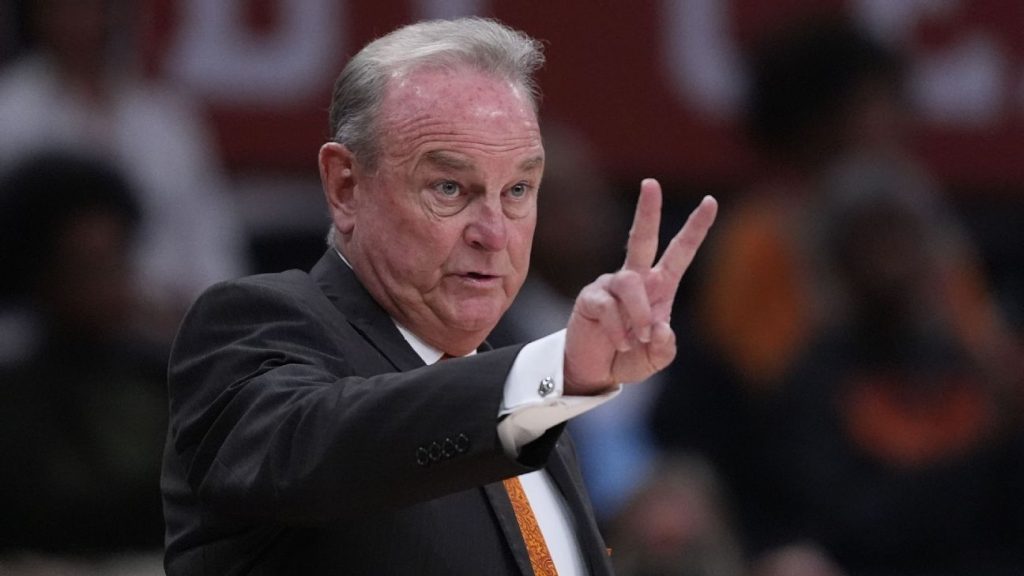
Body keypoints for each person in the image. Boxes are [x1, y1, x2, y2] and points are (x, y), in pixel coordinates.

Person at [161, 17, 717, 576]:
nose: (494, 233)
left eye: (518, 190)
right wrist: (556, 373)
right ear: (345, 186)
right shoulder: (252, 325)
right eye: (449, 188)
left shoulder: (532, 403)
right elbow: (317, 449)